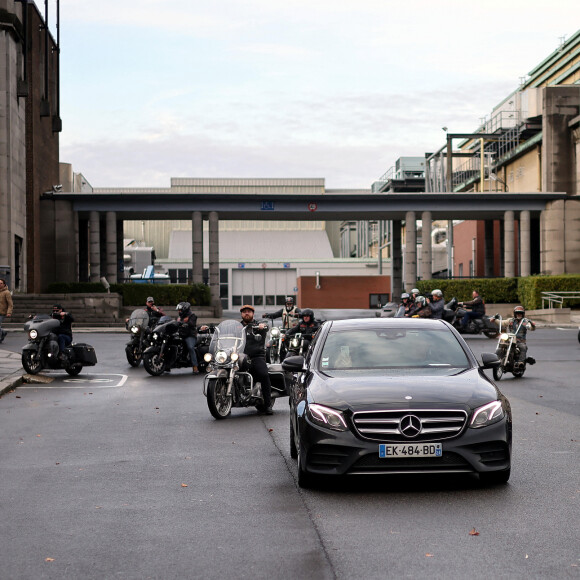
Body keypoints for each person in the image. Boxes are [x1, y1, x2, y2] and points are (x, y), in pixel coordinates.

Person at [240, 305, 273, 415]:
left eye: (249, 311)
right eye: (244, 312)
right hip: (240, 356)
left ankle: (268, 404)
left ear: (253, 313)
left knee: (264, 374)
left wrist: (263, 326)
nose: (246, 313)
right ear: (241, 314)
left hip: (256, 356)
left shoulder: (257, 325)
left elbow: (266, 325)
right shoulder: (237, 327)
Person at [176, 302, 199, 374]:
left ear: (184, 310)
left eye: (180, 310)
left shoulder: (192, 316)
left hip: (190, 335)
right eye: (178, 310)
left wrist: (185, 322)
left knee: (190, 347)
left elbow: (192, 324)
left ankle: (195, 366)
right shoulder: (180, 317)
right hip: (181, 335)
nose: (179, 311)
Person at [0, 278, 13, 344]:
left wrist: (9, 312)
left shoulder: (7, 292)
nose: (0, 284)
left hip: (2, 312)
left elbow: (10, 303)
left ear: (4, 284)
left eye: (1, 283)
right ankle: (3, 332)